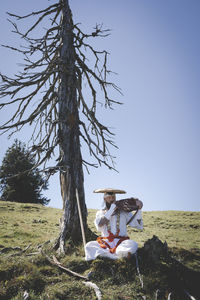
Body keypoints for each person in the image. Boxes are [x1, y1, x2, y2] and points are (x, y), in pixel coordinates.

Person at [85, 188, 143, 261]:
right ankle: (116, 257)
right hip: (105, 243)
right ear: (105, 199)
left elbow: (138, 225)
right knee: (89, 245)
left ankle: (109, 256)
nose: (112, 199)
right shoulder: (100, 213)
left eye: (113, 197)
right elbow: (100, 225)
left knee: (132, 244)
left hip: (121, 242)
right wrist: (111, 209)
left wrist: (139, 210)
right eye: (109, 197)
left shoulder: (123, 212)